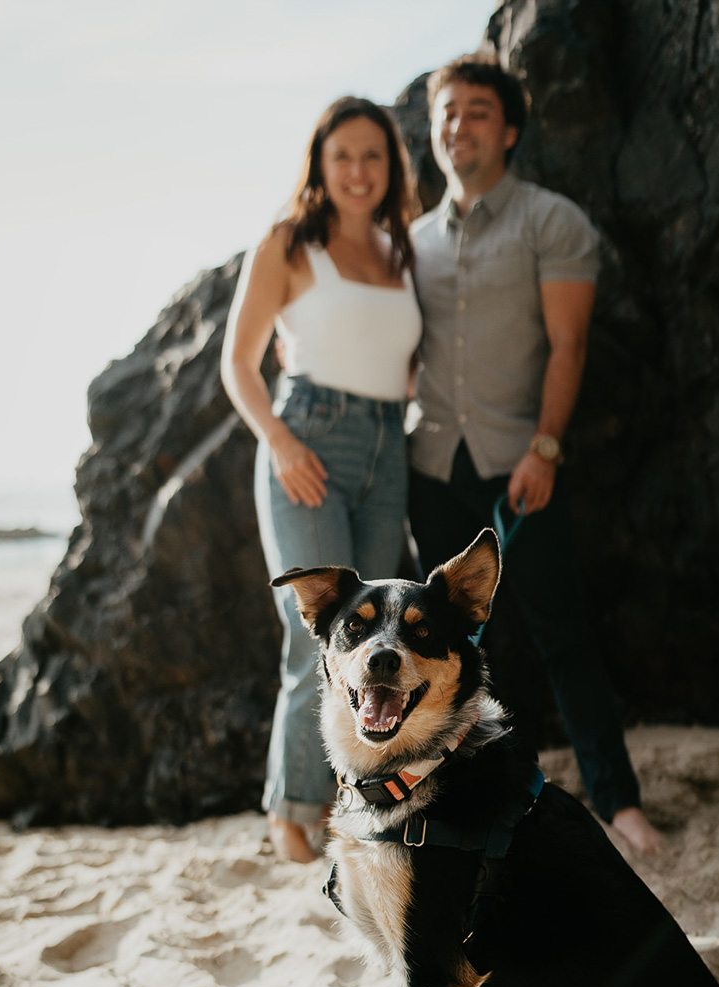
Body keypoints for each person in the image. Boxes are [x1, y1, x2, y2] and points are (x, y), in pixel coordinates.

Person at [407, 56, 664, 856]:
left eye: (476, 111)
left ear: (509, 129)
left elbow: (569, 342)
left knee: (562, 634)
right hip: (430, 469)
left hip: (520, 468)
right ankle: (452, 802)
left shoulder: (551, 221)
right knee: (443, 650)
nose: (458, 125)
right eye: (446, 112)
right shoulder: (407, 242)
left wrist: (544, 449)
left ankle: (618, 802)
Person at [222, 97, 421, 862]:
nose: (358, 170)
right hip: (308, 442)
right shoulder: (289, 241)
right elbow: (238, 361)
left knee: (378, 640)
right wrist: (278, 439)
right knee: (314, 641)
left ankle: (354, 803)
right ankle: (290, 814)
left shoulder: (401, 252)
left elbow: (404, 361)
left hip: (387, 449)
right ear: (319, 163)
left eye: (373, 155)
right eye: (342, 155)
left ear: (391, 166)